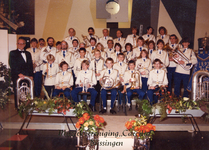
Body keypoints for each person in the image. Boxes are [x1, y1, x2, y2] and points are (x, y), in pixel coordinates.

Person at [9, 38, 33, 109]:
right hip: (17, 75)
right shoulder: (12, 53)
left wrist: (31, 75)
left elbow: (30, 65)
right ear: (17, 44)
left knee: (27, 91)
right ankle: (18, 107)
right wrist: (19, 73)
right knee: (18, 91)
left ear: (25, 45)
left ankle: (27, 106)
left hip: (27, 75)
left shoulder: (28, 53)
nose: (21, 45)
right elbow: (12, 64)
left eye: (22, 43)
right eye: (19, 43)